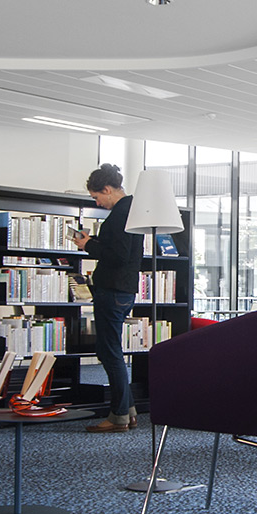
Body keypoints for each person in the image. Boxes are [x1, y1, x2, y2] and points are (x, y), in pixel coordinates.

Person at [73, 164, 144, 433]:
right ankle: (128, 411)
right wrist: (93, 242)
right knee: (111, 350)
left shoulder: (120, 214)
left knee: (109, 352)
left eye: (96, 197)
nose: (97, 203)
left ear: (107, 189)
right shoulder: (132, 210)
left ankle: (118, 416)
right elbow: (120, 250)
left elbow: (118, 256)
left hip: (112, 290)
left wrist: (89, 245)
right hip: (122, 290)